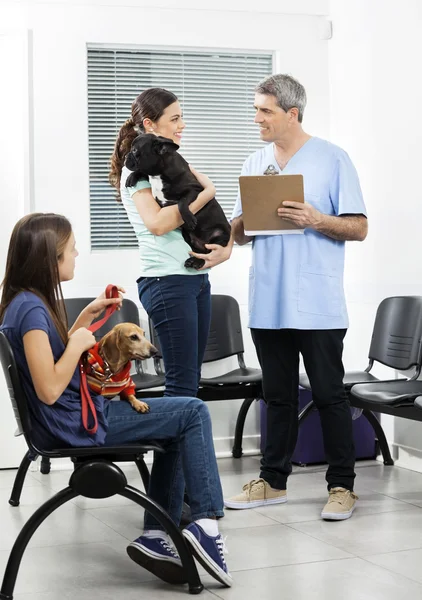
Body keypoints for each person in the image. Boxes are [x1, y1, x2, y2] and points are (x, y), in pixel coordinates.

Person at [0, 213, 232, 588]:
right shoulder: (30, 310)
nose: (76, 253)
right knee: (192, 410)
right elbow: (48, 389)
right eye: (70, 249)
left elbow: (49, 359)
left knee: (180, 421)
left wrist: (85, 319)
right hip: (76, 424)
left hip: (77, 416)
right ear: (49, 258)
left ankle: (158, 537)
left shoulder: (25, 303)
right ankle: (205, 523)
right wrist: (77, 344)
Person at [225, 74, 368, 521]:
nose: (256, 119)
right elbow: (237, 234)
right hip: (269, 299)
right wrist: (248, 219)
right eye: (256, 110)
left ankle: (342, 487)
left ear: (292, 113)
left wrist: (315, 218)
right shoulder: (254, 160)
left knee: (329, 394)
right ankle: (273, 482)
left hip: (317, 300)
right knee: (278, 395)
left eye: (265, 111)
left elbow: (359, 227)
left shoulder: (333, 159)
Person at [109, 87, 233, 398]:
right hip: (167, 282)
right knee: (181, 385)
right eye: (175, 118)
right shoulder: (137, 170)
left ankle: (185, 447)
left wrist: (225, 249)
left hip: (194, 280)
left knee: (190, 382)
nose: (182, 124)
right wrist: (207, 193)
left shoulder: (167, 163)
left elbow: (204, 218)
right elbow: (158, 224)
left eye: (182, 117)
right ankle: (177, 446)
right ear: (150, 124)